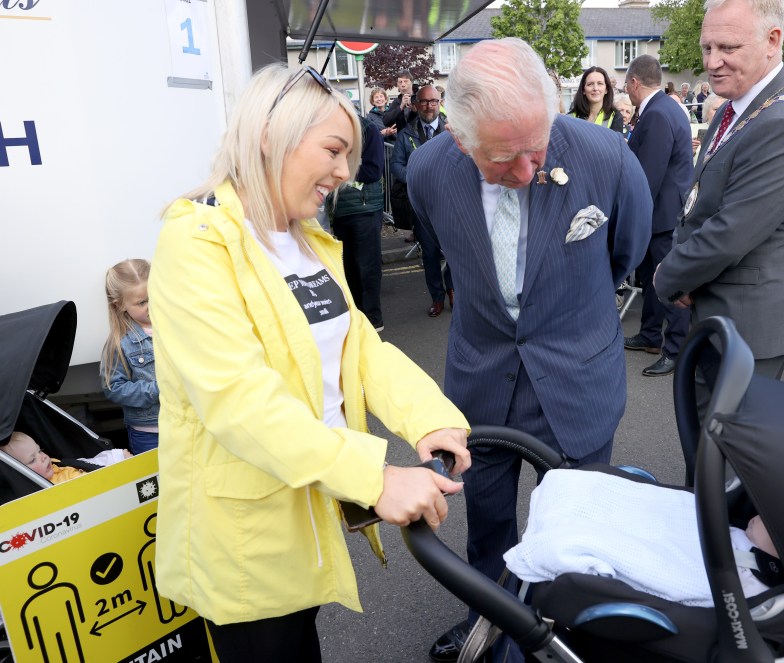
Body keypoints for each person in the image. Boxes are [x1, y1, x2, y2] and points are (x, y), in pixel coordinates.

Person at [149, 63, 471, 661]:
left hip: (311, 506)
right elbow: (238, 400)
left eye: (348, 154)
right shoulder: (196, 242)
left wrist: (428, 417)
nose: (345, 172)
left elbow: (360, 346)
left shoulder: (306, 240)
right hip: (245, 538)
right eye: (332, 150)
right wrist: (376, 477)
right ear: (271, 135)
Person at [407, 38, 652, 662]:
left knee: (576, 524)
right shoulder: (429, 170)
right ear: (461, 140)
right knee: (487, 519)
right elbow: (448, 251)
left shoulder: (606, 156)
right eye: (503, 158)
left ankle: (566, 632)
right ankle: (488, 626)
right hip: (481, 377)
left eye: (536, 151)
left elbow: (628, 251)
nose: (526, 172)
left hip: (577, 376)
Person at [654, 0, 784, 382]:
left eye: (728, 48)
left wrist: (668, 275)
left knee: (725, 439)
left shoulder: (783, 122)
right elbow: (700, 201)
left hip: (749, 324)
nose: (712, 62)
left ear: (772, 40)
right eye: (707, 47)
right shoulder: (737, 106)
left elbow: (731, 231)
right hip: (719, 311)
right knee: (705, 433)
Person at [503, 469, 779, 607]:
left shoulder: (752, 586)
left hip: (680, 558)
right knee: (573, 486)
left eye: (769, 522)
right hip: (691, 531)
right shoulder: (746, 538)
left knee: (581, 539)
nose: (758, 515)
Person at [622, 55, 694, 377]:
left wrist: (632, 213)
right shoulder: (664, 108)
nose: (627, 90)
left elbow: (647, 175)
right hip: (663, 213)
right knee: (652, 277)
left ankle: (676, 349)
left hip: (662, 215)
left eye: (627, 85)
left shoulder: (657, 114)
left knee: (667, 282)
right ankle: (650, 335)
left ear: (635, 82)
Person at [391, 84, 453, 317]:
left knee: (453, 252)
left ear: (440, 103)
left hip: (448, 206)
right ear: (416, 105)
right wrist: (415, 178)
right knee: (430, 254)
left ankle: (453, 291)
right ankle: (437, 297)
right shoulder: (406, 134)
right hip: (422, 208)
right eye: (424, 102)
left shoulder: (451, 131)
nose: (429, 106)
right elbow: (396, 165)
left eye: (434, 101)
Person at [328, 113, 386, 331]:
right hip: (342, 210)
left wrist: (337, 166)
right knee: (349, 266)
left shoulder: (368, 130)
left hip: (365, 209)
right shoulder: (330, 131)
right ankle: (358, 317)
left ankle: (373, 319)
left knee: (367, 266)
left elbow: (372, 171)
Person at [100, 259, 160, 455]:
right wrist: (155, 389)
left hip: (187, 421)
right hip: (150, 432)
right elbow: (114, 388)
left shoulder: (175, 327)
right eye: (142, 302)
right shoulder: (119, 343)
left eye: (155, 295)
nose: (151, 306)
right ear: (120, 305)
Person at [1, 431, 131, 484]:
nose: (43, 457)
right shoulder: (51, 487)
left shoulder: (55, 464)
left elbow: (85, 464)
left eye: (39, 450)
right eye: (32, 459)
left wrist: (116, 457)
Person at [568, 66, 624, 133]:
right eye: (590, 84)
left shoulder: (615, 117)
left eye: (600, 83)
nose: (595, 88)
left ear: (606, 89)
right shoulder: (571, 117)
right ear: (583, 90)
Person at [382, 69, 416, 134]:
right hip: (403, 139)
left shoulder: (420, 96)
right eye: (400, 82)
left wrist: (414, 109)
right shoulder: (397, 101)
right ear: (397, 85)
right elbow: (386, 121)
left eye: (406, 81)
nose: (403, 84)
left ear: (411, 82)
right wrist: (400, 107)